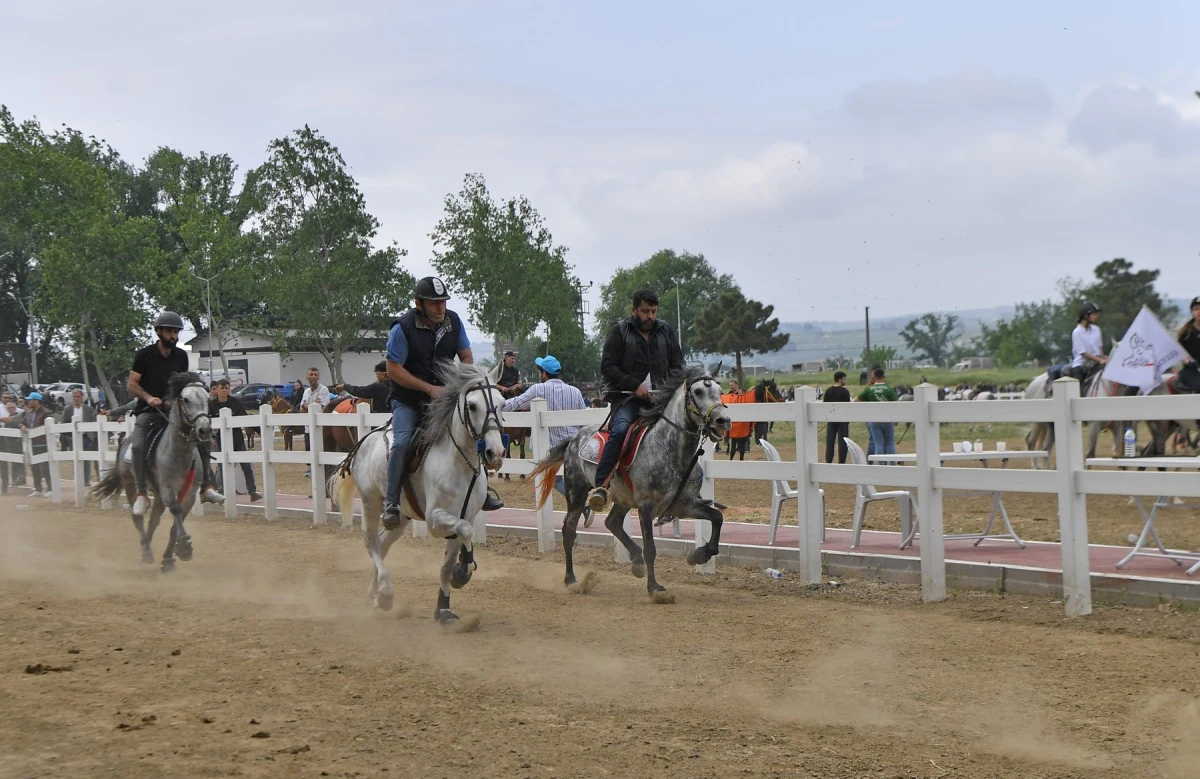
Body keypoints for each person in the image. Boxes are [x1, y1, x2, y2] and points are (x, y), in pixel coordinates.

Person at [382, 276, 502, 529]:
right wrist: (428, 388)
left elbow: (466, 355)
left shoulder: (453, 322)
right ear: (419, 304)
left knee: (470, 433)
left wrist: (460, 384)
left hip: (444, 398)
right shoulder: (402, 328)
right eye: (434, 303)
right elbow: (393, 369)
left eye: (443, 302)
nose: (440, 308)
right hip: (409, 400)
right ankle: (391, 503)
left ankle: (483, 491)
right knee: (403, 442)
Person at [588, 289, 683, 511]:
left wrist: (670, 389)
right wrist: (634, 386)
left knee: (683, 429)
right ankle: (600, 486)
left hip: (662, 400)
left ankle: (687, 485)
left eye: (653, 311)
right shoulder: (619, 332)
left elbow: (678, 365)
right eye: (645, 311)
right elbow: (607, 367)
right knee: (620, 431)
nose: (650, 316)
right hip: (627, 400)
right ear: (634, 311)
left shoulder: (666, 331)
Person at [127, 311, 224, 517]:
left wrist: (174, 400)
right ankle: (142, 493)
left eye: (176, 332)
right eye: (170, 331)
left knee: (203, 435)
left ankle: (206, 486)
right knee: (136, 444)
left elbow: (181, 386)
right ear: (159, 332)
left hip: (173, 410)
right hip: (148, 411)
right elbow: (132, 385)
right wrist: (149, 398)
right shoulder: (144, 356)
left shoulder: (181, 356)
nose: (173, 335)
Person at [502, 355, 588, 506]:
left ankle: (582, 504)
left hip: (549, 447)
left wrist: (495, 406)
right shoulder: (575, 391)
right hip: (573, 444)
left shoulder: (538, 389)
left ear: (544, 374)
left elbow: (516, 403)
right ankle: (584, 501)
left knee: (554, 478)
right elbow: (584, 418)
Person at [209, 378, 263, 502]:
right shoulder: (211, 405)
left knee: (246, 465)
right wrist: (211, 437)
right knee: (223, 465)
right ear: (217, 389)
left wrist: (259, 430)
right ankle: (222, 490)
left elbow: (244, 417)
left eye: (226, 388)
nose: (224, 390)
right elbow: (208, 422)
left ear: (229, 389)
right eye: (221, 388)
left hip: (237, 438)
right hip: (221, 439)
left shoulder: (235, 402)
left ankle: (252, 491)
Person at [857, 367, 899, 460]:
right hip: (887, 418)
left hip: (874, 419)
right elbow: (896, 404)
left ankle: (881, 463)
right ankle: (892, 463)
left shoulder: (869, 389)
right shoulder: (889, 389)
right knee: (890, 442)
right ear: (884, 376)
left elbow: (857, 400)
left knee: (878, 443)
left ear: (874, 376)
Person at [59, 388, 98, 486]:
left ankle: (86, 481)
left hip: (86, 437)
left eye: (78, 396)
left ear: (82, 398)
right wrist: (68, 438)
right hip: (73, 438)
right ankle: (78, 480)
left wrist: (91, 436)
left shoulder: (88, 409)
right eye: (74, 397)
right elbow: (63, 422)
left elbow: (93, 422)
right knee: (76, 460)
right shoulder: (68, 409)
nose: (76, 398)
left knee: (87, 459)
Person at [19, 391, 52, 496]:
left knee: (46, 467)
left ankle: (50, 488)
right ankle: (37, 489)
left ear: (36, 401)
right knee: (35, 467)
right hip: (32, 444)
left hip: (43, 444)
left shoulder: (46, 413)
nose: (28, 402)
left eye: (30, 400)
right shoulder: (29, 413)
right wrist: (22, 426)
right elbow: (21, 422)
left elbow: (48, 425)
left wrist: (33, 430)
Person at [1067, 302, 1107, 382]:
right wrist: (1099, 360)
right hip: (1081, 364)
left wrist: (1103, 357)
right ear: (1086, 316)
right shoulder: (1077, 332)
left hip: (1096, 362)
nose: (1096, 316)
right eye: (1094, 314)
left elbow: (1100, 347)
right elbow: (1083, 353)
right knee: (1077, 385)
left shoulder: (1097, 329)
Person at [298, 367, 330, 455]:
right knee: (309, 455)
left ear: (318, 377)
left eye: (315, 375)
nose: (313, 377)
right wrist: (310, 405)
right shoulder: (306, 391)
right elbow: (301, 410)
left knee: (321, 453)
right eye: (311, 374)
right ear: (307, 377)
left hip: (321, 429)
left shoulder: (323, 390)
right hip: (308, 428)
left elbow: (320, 410)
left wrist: (306, 405)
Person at [823, 371, 852, 464]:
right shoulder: (844, 391)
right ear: (840, 379)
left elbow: (825, 405)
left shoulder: (828, 391)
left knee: (830, 442)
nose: (845, 380)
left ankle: (828, 461)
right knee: (842, 442)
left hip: (831, 420)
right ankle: (841, 462)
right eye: (844, 378)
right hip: (842, 420)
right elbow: (848, 407)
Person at [1174, 296, 1200, 393]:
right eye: (1196, 309)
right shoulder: (1185, 332)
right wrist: (1188, 361)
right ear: (1192, 312)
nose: (1198, 312)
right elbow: (1179, 351)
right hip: (1191, 370)